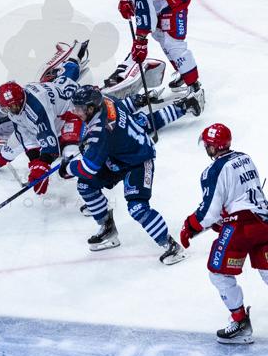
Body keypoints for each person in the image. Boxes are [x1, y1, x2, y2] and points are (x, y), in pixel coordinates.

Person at [179, 123, 268, 344]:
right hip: (266, 222)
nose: (206, 148)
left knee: (218, 273)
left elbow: (209, 213)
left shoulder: (212, 171)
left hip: (242, 227)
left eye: (207, 144)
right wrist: (221, 220)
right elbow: (238, 197)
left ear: (213, 147)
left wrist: (190, 226)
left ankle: (240, 322)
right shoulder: (245, 158)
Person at [59, 85, 187, 265]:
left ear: (91, 108)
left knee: (137, 207)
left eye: (79, 108)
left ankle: (171, 245)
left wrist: (67, 168)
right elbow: (126, 105)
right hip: (117, 156)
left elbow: (89, 168)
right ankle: (108, 228)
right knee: (85, 185)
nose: (76, 112)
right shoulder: (106, 100)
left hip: (139, 159)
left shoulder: (100, 131)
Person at [100, 0, 203, 100]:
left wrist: (141, 41)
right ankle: (184, 71)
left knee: (173, 42)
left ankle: (194, 87)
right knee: (159, 35)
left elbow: (146, 11)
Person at [0, 60, 82, 195]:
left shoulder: (37, 108)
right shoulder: (16, 106)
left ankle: (86, 181)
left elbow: (50, 143)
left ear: (20, 101)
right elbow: (23, 134)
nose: (9, 111)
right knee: (12, 144)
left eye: (11, 107)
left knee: (70, 155)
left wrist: (42, 166)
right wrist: (34, 161)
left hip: (69, 115)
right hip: (52, 110)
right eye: (6, 108)